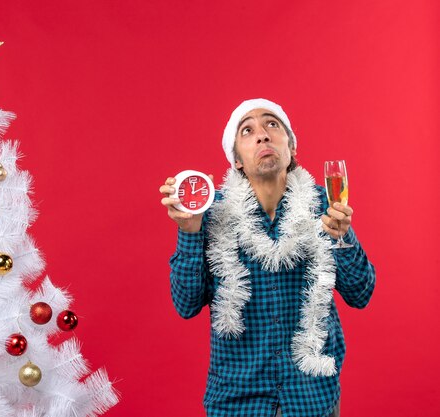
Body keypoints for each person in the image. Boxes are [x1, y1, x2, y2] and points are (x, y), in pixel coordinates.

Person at [159, 99, 375, 417]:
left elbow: (361, 294)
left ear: (290, 147)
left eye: (272, 124)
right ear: (236, 161)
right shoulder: (213, 213)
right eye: (247, 130)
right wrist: (190, 231)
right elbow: (186, 305)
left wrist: (341, 236)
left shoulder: (323, 206)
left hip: (311, 398)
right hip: (236, 401)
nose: (262, 134)